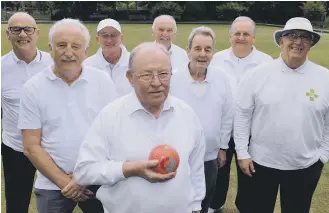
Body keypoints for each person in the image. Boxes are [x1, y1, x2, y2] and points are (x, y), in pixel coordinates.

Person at [73, 42, 206, 213]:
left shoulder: (187, 114)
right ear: (130, 78)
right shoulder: (111, 116)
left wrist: (195, 206)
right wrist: (127, 169)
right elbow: (84, 171)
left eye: (164, 74)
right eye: (147, 75)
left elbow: (195, 169)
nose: (157, 82)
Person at [17, 18, 118, 213]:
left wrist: (86, 176)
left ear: (86, 51)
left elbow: (113, 133)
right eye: (61, 45)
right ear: (50, 48)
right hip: (52, 184)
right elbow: (31, 146)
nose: (68, 52)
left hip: (98, 179)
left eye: (76, 46)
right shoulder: (33, 88)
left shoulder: (102, 81)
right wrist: (65, 182)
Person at [234, 17, 328, 213]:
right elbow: (242, 115)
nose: (298, 41)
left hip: (305, 165)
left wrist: (323, 156)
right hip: (261, 163)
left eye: (304, 37)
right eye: (291, 35)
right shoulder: (258, 74)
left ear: (310, 44)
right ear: (281, 41)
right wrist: (242, 152)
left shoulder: (324, 78)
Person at [208, 16, 273, 213]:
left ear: (254, 37)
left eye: (246, 34)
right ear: (230, 36)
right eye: (237, 33)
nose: (241, 37)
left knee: (250, 174)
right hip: (222, 130)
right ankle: (215, 206)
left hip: (252, 132)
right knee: (219, 172)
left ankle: (246, 207)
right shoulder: (216, 60)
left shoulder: (266, 63)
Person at [170, 26, 233, 213]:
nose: (202, 54)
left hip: (209, 157)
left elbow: (227, 115)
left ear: (213, 53)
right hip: (179, 157)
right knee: (178, 202)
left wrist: (223, 147)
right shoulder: (173, 78)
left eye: (208, 49)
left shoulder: (221, 78)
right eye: (197, 48)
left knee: (203, 202)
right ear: (188, 51)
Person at [1, 12, 53, 213]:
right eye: (16, 29)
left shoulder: (54, 64)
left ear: (37, 33)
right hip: (15, 148)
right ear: (8, 34)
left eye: (27, 29)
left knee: (56, 202)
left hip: (50, 147)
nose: (22, 34)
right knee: (16, 204)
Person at [83, 18, 132, 96]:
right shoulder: (87, 65)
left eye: (114, 35)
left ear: (121, 37)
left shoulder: (134, 63)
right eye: (104, 35)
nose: (109, 40)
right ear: (97, 39)